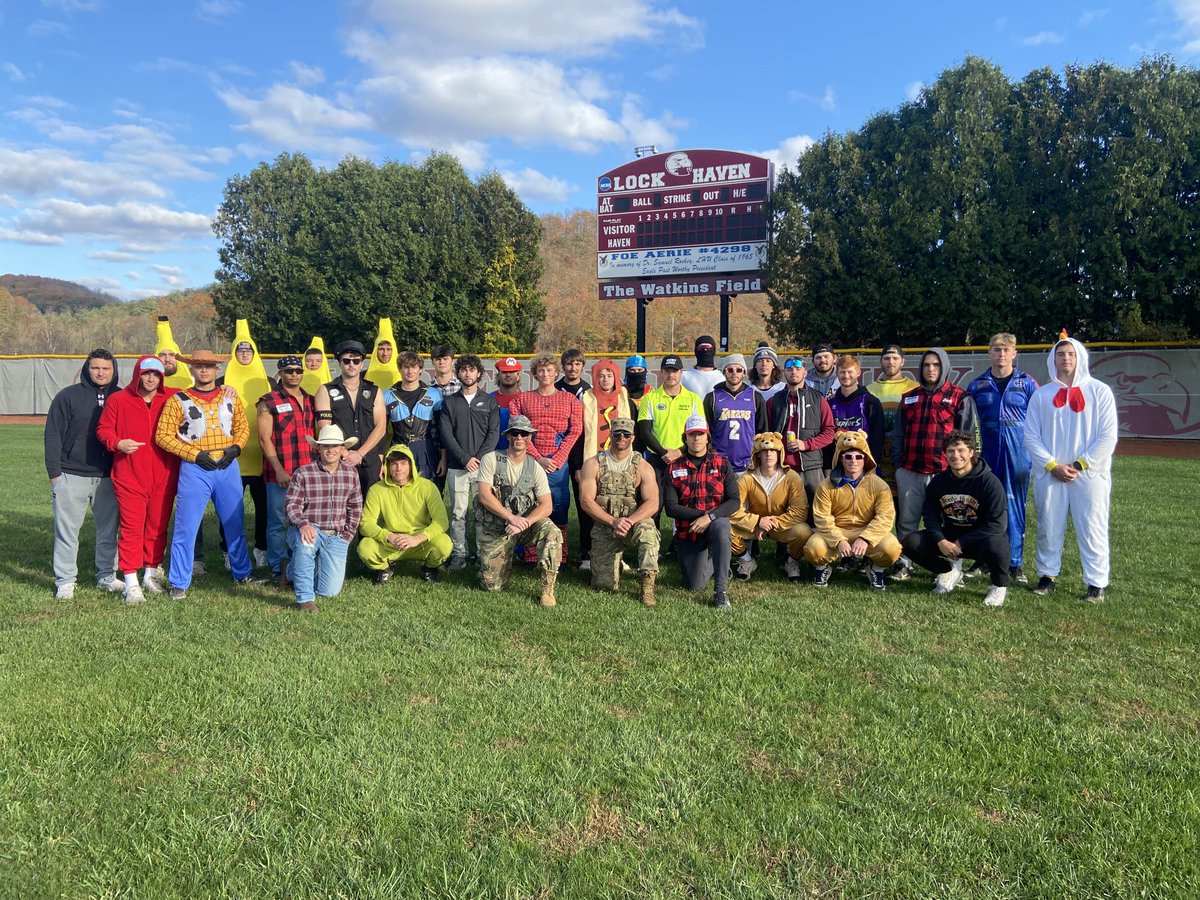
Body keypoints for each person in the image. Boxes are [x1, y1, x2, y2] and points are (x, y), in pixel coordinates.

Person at [155, 349, 257, 598]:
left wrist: (235, 448)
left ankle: (242, 572)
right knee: (186, 525)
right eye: (199, 366)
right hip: (195, 467)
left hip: (227, 466)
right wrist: (193, 455)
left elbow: (242, 427)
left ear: (217, 370)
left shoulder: (229, 397)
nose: (204, 370)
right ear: (191, 369)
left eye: (209, 366)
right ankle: (179, 580)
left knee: (234, 522)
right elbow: (163, 435)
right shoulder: (178, 400)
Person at [1024, 335, 1118, 602]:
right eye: (1060, 354)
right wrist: (1052, 465)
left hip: (1089, 475)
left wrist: (1079, 464)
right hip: (1050, 475)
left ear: (1080, 358)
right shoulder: (1041, 395)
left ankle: (1096, 582)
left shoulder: (1100, 392)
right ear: (1053, 359)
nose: (1065, 359)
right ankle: (1047, 574)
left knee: (1092, 526)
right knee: (1048, 525)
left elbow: (1108, 436)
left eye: (1070, 354)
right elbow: (1031, 436)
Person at [95, 355, 178, 604]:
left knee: (157, 526)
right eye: (146, 373)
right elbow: (103, 429)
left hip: (164, 473)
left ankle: (150, 574)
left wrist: (226, 387)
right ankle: (130, 581)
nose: (151, 378)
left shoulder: (172, 397)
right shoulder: (119, 399)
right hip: (130, 474)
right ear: (137, 374)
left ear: (162, 377)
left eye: (156, 374)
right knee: (132, 528)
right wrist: (118, 443)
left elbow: (202, 393)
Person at [890, 347, 978, 581]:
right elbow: (898, 434)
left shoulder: (960, 397)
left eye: (936, 365)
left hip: (943, 474)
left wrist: (961, 472)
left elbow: (969, 436)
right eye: (927, 365)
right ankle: (904, 563)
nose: (931, 369)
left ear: (945, 367)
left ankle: (950, 568)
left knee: (946, 522)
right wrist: (899, 466)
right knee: (907, 520)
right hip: (911, 470)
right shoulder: (909, 397)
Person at [44, 349, 122, 600]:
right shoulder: (67, 396)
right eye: (96, 367)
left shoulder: (121, 397)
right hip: (71, 474)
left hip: (109, 476)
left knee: (109, 530)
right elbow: (53, 436)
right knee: (67, 532)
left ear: (114, 370)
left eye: (106, 368)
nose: (101, 372)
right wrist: (55, 475)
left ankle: (107, 575)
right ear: (87, 369)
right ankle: (65, 580)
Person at [902, 430, 1011, 607]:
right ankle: (947, 572)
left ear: (971, 452)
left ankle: (998, 585)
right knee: (910, 542)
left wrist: (962, 542)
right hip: (951, 534)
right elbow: (930, 515)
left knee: (998, 547)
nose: (956, 455)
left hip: (981, 537)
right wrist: (940, 540)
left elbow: (997, 524)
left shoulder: (989, 482)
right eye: (951, 451)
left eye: (960, 450)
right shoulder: (939, 481)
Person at [966, 333, 1038, 584]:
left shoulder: (1027, 383)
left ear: (1015, 353)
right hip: (986, 452)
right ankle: (982, 559)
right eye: (997, 349)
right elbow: (967, 423)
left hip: (1018, 453)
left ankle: (1015, 562)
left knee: (1015, 505)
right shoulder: (977, 385)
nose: (1002, 354)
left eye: (1007, 350)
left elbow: (1039, 420)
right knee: (983, 504)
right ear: (989, 353)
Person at [476, 415, 563, 607]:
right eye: (515, 433)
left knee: (552, 534)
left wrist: (525, 522)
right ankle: (495, 561)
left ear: (530, 437)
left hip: (525, 526)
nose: (519, 437)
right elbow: (484, 496)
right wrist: (511, 518)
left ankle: (547, 590)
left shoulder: (535, 467)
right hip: (497, 526)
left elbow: (546, 505)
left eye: (524, 434)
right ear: (508, 436)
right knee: (491, 586)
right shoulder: (491, 459)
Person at [804, 430, 902, 590]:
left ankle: (876, 570)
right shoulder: (826, 485)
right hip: (837, 531)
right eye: (848, 456)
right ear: (840, 459)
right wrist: (839, 540)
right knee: (813, 548)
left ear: (866, 459)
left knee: (892, 548)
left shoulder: (879, 485)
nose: (853, 461)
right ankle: (822, 569)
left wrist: (865, 538)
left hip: (865, 531)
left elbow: (885, 517)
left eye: (858, 456)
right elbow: (822, 517)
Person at [577, 416, 660, 604]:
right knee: (604, 586)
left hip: (633, 522)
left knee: (648, 533)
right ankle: (613, 565)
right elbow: (586, 501)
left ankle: (647, 586)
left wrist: (629, 521)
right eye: (617, 433)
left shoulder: (643, 466)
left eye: (626, 434)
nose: (621, 437)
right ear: (610, 435)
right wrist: (612, 521)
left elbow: (653, 502)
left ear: (632, 437)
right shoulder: (593, 463)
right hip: (606, 525)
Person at [664, 413, 740, 610]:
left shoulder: (722, 463)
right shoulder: (673, 468)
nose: (696, 438)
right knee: (694, 585)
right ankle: (719, 562)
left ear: (708, 437)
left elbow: (734, 501)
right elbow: (670, 509)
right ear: (685, 438)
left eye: (700, 434)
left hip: (714, 524)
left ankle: (721, 592)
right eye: (692, 434)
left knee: (722, 525)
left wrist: (710, 517)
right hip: (689, 531)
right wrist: (701, 516)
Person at [284, 425, 363, 613]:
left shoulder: (351, 474)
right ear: (318, 448)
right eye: (325, 445)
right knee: (307, 543)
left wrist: (347, 536)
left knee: (329, 592)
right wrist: (303, 525)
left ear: (342, 448)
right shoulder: (303, 473)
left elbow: (355, 507)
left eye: (335, 445)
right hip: (310, 529)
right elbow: (291, 506)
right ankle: (305, 600)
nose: (330, 450)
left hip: (336, 535)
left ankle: (291, 568)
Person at [513, 354, 583, 565]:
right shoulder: (522, 399)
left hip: (557, 461)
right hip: (531, 459)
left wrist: (559, 458)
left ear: (556, 373)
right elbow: (518, 431)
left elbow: (576, 430)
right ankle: (531, 553)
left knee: (559, 504)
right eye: (541, 371)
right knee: (529, 502)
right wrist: (537, 457)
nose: (545, 374)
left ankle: (559, 555)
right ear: (534, 373)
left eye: (549, 370)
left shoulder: (569, 399)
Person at [257, 355, 316, 586]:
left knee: (304, 519)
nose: (294, 374)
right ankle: (277, 565)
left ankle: (298, 562)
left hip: (307, 473)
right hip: (280, 473)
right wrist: (279, 469)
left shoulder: (311, 400)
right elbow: (263, 439)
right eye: (289, 371)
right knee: (278, 521)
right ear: (280, 373)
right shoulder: (268, 401)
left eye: (298, 371)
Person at [358, 443, 452, 585]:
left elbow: (441, 521)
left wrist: (418, 538)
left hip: (419, 542)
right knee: (365, 548)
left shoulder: (427, 487)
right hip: (391, 542)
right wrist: (389, 536)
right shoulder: (376, 489)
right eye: (394, 464)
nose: (399, 468)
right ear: (387, 466)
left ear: (411, 465)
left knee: (444, 544)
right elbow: (366, 524)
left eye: (403, 463)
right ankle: (384, 568)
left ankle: (429, 568)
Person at [438, 354, 500, 568]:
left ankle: (483, 552)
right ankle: (459, 554)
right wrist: (464, 459)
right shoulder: (449, 402)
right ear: (458, 373)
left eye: (472, 370)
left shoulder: (490, 401)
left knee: (484, 512)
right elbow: (446, 434)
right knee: (458, 513)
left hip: (483, 468)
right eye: (463, 370)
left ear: (479, 373)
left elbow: (493, 433)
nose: (468, 373)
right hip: (458, 466)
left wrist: (480, 458)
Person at [218, 325, 272, 569]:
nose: (244, 355)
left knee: (264, 509)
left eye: (248, 351)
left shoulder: (269, 381)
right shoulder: (221, 382)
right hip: (232, 458)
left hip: (262, 457)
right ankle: (229, 549)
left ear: (255, 353)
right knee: (230, 508)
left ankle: (262, 547)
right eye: (240, 351)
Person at [730, 432, 812, 583]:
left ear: (780, 453)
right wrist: (757, 521)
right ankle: (746, 560)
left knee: (804, 532)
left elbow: (800, 511)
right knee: (724, 528)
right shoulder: (746, 478)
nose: (769, 454)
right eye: (764, 451)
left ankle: (791, 561)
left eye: (773, 450)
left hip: (781, 526)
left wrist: (771, 523)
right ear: (758, 454)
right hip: (755, 526)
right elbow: (733, 509)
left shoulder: (791, 477)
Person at [315, 340, 388, 499]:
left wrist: (360, 453)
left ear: (362, 364)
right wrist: (345, 453)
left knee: (369, 510)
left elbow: (381, 427)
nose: (351, 365)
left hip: (369, 458)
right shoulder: (326, 390)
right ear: (340, 363)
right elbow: (325, 428)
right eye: (346, 361)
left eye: (356, 361)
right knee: (341, 507)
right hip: (339, 458)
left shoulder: (374, 390)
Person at [577, 359, 632, 570]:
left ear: (616, 377)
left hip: (619, 460)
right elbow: (582, 433)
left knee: (619, 505)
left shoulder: (623, 396)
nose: (605, 379)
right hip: (593, 459)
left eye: (609, 375)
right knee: (591, 505)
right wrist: (579, 466)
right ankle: (588, 555)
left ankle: (619, 554)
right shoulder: (588, 397)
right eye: (601, 375)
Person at [635, 354, 701, 527]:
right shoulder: (650, 398)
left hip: (684, 457)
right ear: (661, 373)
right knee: (654, 503)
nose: (671, 375)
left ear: (681, 373)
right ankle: (652, 545)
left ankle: (680, 544)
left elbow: (698, 433)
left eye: (675, 371)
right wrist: (664, 453)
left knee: (685, 502)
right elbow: (645, 431)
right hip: (657, 459)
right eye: (667, 371)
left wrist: (680, 451)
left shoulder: (693, 399)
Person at [767, 356, 836, 501]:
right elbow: (765, 434)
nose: (794, 372)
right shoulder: (774, 401)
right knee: (783, 513)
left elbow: (830, 432)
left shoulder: (818, 399)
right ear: (784, 372)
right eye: (789, 369)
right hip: (782, 467)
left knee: (815, 513)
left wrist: (806, 444)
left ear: (805, 372)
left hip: (811, 467)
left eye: (798, 369)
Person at [867, 343, 919, 497]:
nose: (891, 362)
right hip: (877, 456)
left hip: (903, 456)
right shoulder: (869, 389)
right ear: (881, 361)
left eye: (895, 358)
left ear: (902, 361)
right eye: (887, 358)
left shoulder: (915, 388)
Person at [383, 351, 444, 481]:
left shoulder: (434, 394)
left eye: (414, 367)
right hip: (398, 450)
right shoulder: (387, 395)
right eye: (406, 367)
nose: (410, 371)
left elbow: (441, 429)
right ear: (399, 369)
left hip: (425, 451)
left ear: (420, 369)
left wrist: (443, 457)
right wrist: (381, 457)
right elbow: (380, 431)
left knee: (427, 493)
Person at [703, 353, 768, 474]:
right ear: (724, 372)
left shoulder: (755, 397)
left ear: (744, 373)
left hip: (748, 465)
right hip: (719, 464)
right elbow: (707, 430)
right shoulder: (712, 397)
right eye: (730, 369)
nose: (734, 373)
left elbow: (762, 431)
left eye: (738, 370)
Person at [824, 354, 885, 468]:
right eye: (842, 372)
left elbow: (878, 438)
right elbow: (826, 437)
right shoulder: (829, 403)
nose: (846, 376)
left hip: (864, 465)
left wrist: (871, 465)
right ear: (837, 374)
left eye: (850, 372)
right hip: (837, 466)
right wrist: (827, 467)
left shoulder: (870, 401)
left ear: (858, 372)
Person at [492, 356, 524, 450]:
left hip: (519, 454)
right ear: (498, 375)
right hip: (493, 454)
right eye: (504, 372)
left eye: (512, 372)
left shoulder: (525, 400)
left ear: (518, 376)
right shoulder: (488, 399)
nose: (508, 375)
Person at [364, 318, 401, 390]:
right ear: (375, 351)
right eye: (381, 349)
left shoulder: (404, 376)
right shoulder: (363, 377)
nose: (385, 353)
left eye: (389, 349)